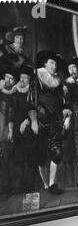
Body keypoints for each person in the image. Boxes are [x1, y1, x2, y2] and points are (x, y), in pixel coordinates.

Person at [35, 50, 72, 194]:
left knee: (57, 153)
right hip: (40, 120)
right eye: (51, 62)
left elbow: (64, 102)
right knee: (40, 155)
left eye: (55, 63)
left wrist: (67, 115)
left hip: (55, 120)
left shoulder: (59, 80)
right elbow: (32, 100)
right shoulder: (37, 76)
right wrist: (33, 119)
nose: (54, 65)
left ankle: (52, 184)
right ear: (45, 63)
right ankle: (45, 184)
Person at [8, 64, 38, 193]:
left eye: (25, 77)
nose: (22, 80)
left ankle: (29, 186)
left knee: (29, 158)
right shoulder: (15, 93)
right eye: (21, 77)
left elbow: (34, 109)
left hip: (29, 129)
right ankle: (18, 186)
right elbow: (11, 114)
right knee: (17, 159)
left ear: (29, 79)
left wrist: (28, 121)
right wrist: (10, 130)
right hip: (16, 130)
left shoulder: (32, 93)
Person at [62, 57, 78, 191]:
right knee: (67, 149)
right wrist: (66, 117)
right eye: (70, 68)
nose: (73, 70)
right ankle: (69, 180)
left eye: (74, 67)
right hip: (69, 118)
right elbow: (64, 102)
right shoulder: (65, 84)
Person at [0, 61, 17, 194]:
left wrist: (10, 130)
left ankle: (7, 189)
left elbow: (11, 114)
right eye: (7, 77)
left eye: (12, 79)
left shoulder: (12, 96)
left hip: (5, 131)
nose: (9, 80)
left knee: (7, 161)